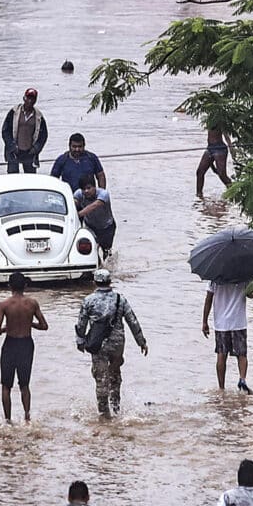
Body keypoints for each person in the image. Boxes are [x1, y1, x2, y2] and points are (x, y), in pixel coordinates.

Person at [75, 269, 148, 418]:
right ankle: (116, 408)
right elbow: (132, 321)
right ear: (110, 282)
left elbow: (81, 324)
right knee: (115, 375)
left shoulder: (88, 300)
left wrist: (80, 341)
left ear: (95, 282)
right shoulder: (120, 299)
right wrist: (141, 342)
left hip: (98, 344)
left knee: (101, 377)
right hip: (117, 344)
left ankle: (104, 415)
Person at [0, 272, 48, 423]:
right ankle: (27, 417)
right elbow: (44, 326)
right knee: (24, 385)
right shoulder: (32, 303)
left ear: (9, 286)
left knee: (6, 385)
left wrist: (7, 327)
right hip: (26, 344)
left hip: (10, 344)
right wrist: (29, 323)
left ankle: (8, 420)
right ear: (25, 285)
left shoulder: (4, 305)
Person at [202, 280, 252, 393]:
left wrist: (205, 321)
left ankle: (221, 388)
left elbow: (208, 299)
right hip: (238, 321)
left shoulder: (214, 277)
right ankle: (242, 379)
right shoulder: (243, 275)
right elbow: (250, 293)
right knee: (242, 354)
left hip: (221, 323)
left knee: (221, 354)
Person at [2, 88, 48, 174]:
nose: (30, 101)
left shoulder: (39, 117)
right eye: (28, 98)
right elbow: (5, 131)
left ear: (35, 100)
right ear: (24, 98)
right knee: (12, 177)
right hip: (14, 152)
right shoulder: (14, 112)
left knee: (30, 178)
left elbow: (43, 136)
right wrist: (12, 146)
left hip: (30, 153)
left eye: (33, 98)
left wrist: (36, 149)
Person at [73, 175, 116, 259]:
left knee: (106, 250)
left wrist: (77, 215)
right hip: (90, 226)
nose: (86, 191)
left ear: (94, 187)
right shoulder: (78, 194)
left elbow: (94, 206)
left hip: (107, 227)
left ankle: (108, 267)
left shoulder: (103, 194)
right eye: (83, 189)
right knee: (92, 249)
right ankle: (97, 267)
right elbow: (73, 203)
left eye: (89, 188)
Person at [196, 122, 233, 196]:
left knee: (222, 174)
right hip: (210, 148)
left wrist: (231, 148)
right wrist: (212, 166)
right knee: (200, 172)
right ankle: (199, 195)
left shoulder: (219, 118)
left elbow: (226, 136)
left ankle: (233, 192)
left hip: (220, 148)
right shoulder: (209, 120)